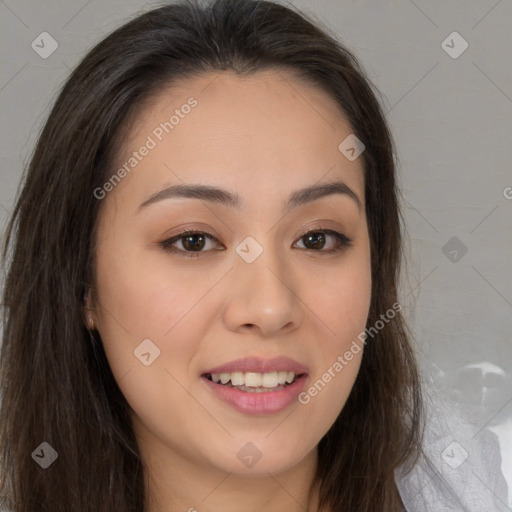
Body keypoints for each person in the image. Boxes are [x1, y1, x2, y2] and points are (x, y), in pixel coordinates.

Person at [0, 0, 506, 511]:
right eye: (193, 240)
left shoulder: (472, 487)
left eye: (317, 238)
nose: (269, 308)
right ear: (82, 280)